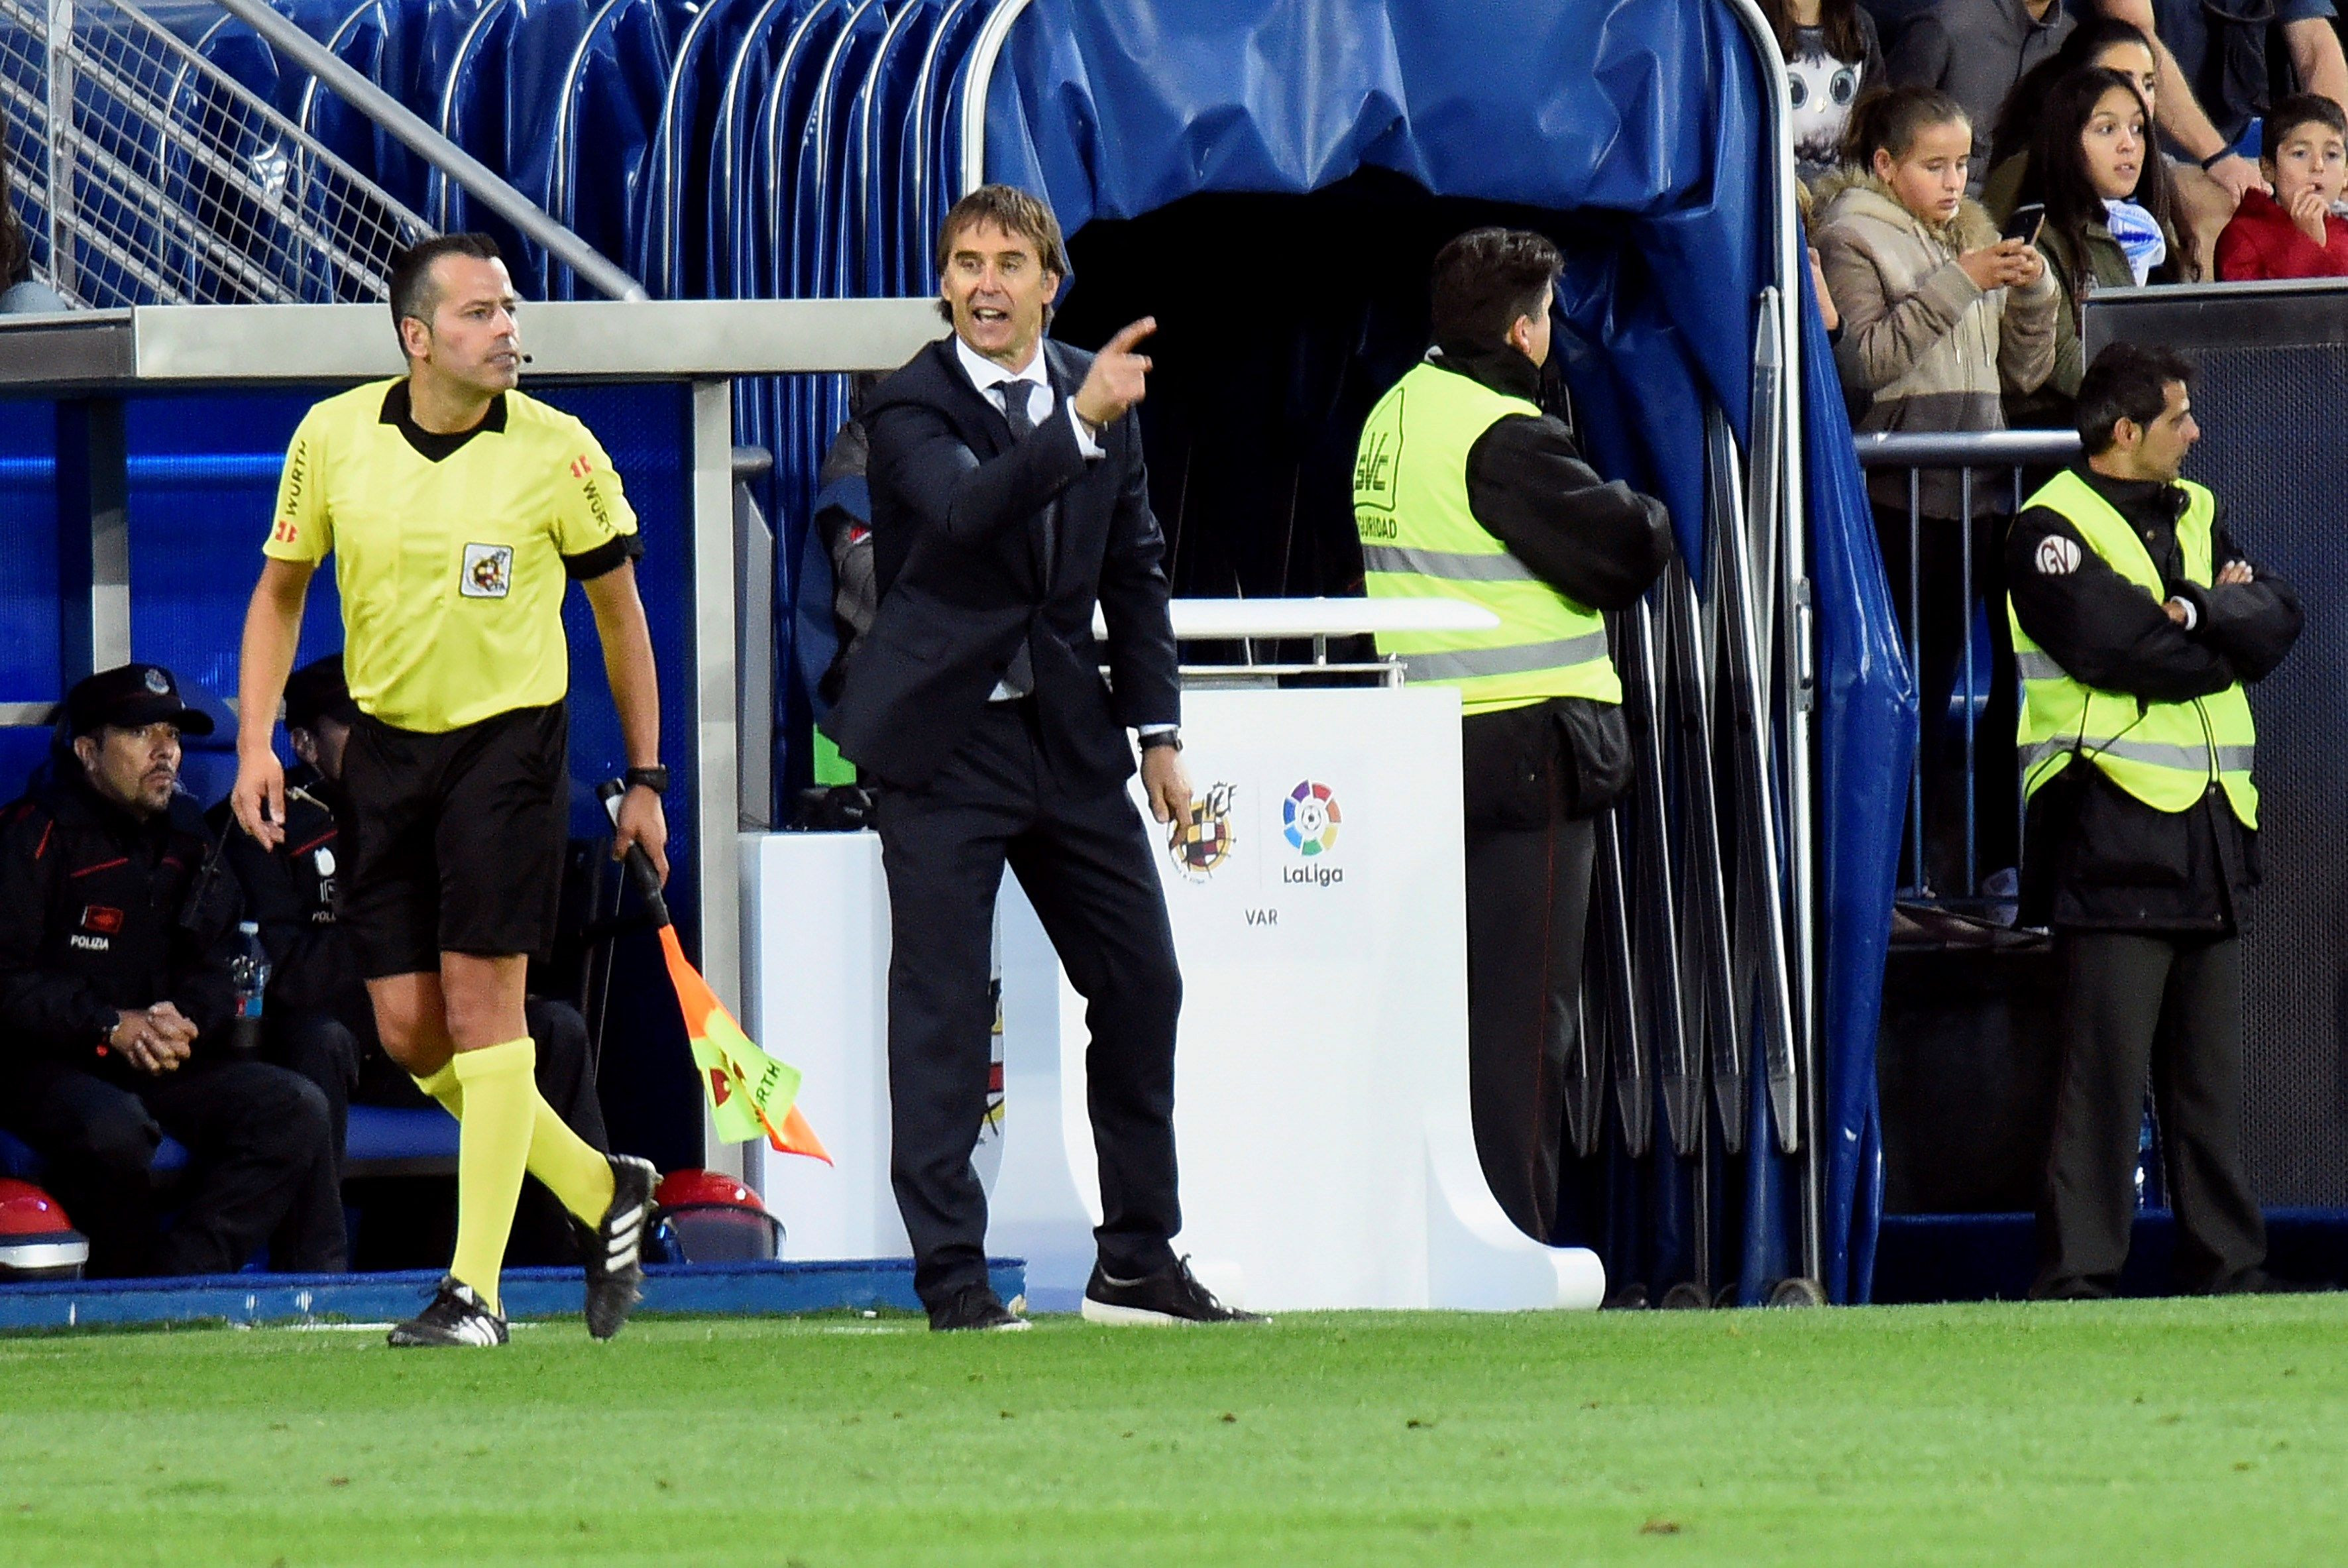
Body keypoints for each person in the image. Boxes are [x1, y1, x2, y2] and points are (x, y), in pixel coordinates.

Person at [822, 184, 1256, 1331]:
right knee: (943, 1010)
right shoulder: (906, 400)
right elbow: (967, 515)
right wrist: (1082, 423)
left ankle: (1136, 1262)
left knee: (1140, 980)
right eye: (965, 260)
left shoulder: (1090, 386)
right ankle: (954, 1280)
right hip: (939, 742)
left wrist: (1158, 736)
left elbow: (1135, 567)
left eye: (1008, 261)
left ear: (1048, 283)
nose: (984, 282)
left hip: (1063, 736)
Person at [229, 233, 664, 1348]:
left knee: (485, 1012)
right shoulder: (332, 437)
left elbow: (621, 618)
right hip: (383, 753)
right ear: (416, 338)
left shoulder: (559, 451)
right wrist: (257, 742)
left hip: (508, 750)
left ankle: (475, 1292)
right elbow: (280, 593)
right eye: (478, 313)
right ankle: (597, 1189)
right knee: (411, 1030)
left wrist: (649, 778)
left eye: (509, 308)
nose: (507, 328)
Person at [1351, 229, 1673, 1241]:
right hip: (1525, 748)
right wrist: (1650, 514)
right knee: (1525, 1022)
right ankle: (1515, 1239)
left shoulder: (1392, 411)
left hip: (1423, 743)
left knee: (1439, 1013)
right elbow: (1620, 548)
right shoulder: (1501, 431)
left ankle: (1433, 1234)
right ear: (1524, 330)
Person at [2005, 343, 2302, 1298]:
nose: (2195, 432)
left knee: (2207, 1088)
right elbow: (2118, 649)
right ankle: (2077, 1277)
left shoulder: (2200, 508)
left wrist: (2197, 617)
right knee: (2099, 1083)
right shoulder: (2045, 528)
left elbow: (2279, 619)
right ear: (2123, 433)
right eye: (2178, 417)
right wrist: (2213, 625)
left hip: (2210, 835)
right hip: (2108, 835)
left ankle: (2230, 1267)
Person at [213, 654, 610, 1263]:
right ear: (304, 744)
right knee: (316, 1038)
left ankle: (588, 1248)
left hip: (445, 1023)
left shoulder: (432, 804)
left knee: (557, 1029)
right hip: (345, 1037)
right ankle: (318, 1274)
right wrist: (397, 938)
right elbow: (285, 967)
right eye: (357, 726)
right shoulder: (268, 822)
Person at [0, 664, 343, 1278]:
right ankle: (119, 1286)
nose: (166, 752)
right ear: (87, 750)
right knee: (115, 1129)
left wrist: (185, 1020)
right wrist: (108, 1025)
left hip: (158, 1055)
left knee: (295, 1107)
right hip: (45, 1061)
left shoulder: (189, 834)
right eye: (140, 734)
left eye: (173, 735)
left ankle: (178, 1281)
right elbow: (6, 981)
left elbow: (224, 959)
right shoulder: (33, 835)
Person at [1814, 85, 2058, 891]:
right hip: (1901, 503)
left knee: (1987, 686)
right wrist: (1960, 281)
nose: (1955, 183)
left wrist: (2032, 294)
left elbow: (2022, 375)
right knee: (1910, 690)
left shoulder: (1974, 235)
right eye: (1934, 166)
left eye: (1963, 165)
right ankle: (1890, 872)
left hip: (1978, 497)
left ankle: (1981, 863)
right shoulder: (1851, 233)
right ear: (1886, 165)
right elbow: (1868, 361)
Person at [2008, 68, 2195, 431]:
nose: (2129, 144)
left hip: (2144, 430)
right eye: (2107, 129)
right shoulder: (2041, 237)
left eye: (2138, 129)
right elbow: (2057, 359)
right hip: (2069, 438)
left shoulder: (2152, 230)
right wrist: (2150, 402)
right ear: (2065, 140)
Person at [1887, 0, 2075, 193]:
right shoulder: (1948, 23)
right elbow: (1888, 131)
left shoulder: (2070, 39)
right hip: (1931, 201)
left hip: (2021, 203)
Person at [2214, 93, 2348, 279]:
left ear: (2346, 175)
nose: (2318, 166)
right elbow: (2255, 307)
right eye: (2300, 154)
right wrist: (2309, 243)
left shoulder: (2344, 228)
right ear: (2268, 169)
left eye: (2332, 155)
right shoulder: (2240, 238)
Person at [1760, 0, 1889, 185]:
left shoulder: (1859, 26)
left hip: (1841, 193)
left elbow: (1875, 119)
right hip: (1776, 192)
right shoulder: (1750, 21)